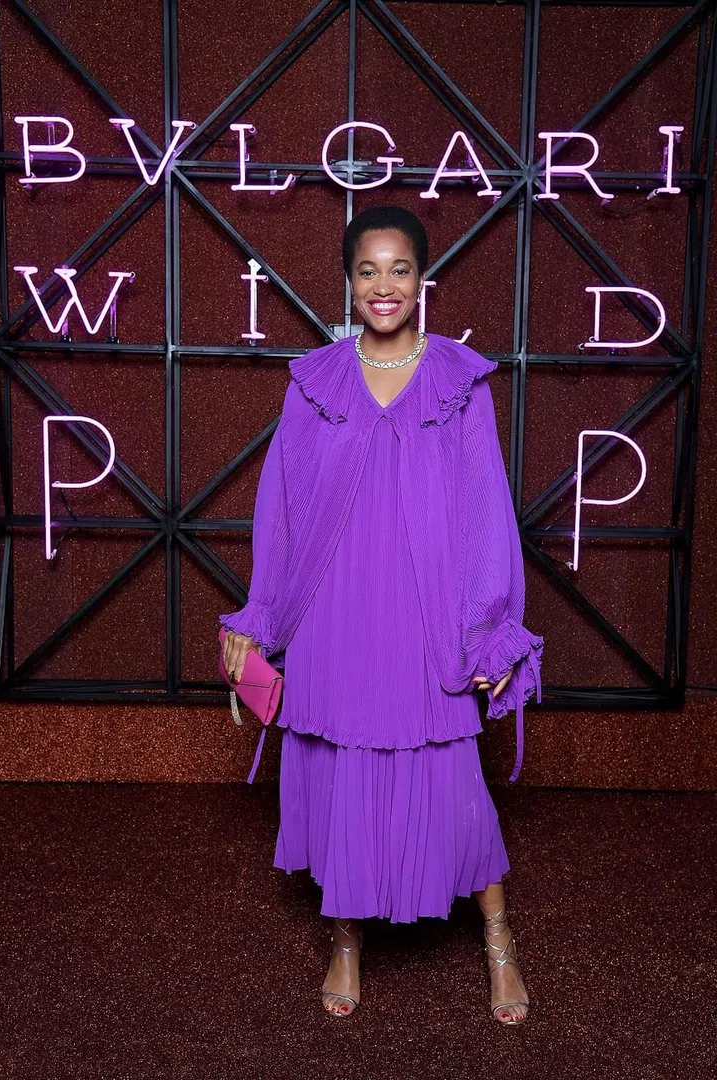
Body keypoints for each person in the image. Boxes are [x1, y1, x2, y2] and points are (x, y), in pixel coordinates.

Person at [220, 205, 543, 1024]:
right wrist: (261, 617)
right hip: (335, 614)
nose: (385, 285)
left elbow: (485, 511)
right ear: (348, 281)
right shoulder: (313, 381)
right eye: (368, 270)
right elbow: (282, 508)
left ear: (423, 279)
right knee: (343, 779)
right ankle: (345, 941)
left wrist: (489, 630)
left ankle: (498, 937)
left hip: (427, 616)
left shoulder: (461, 381)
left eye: (400, 268)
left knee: (453, 781)